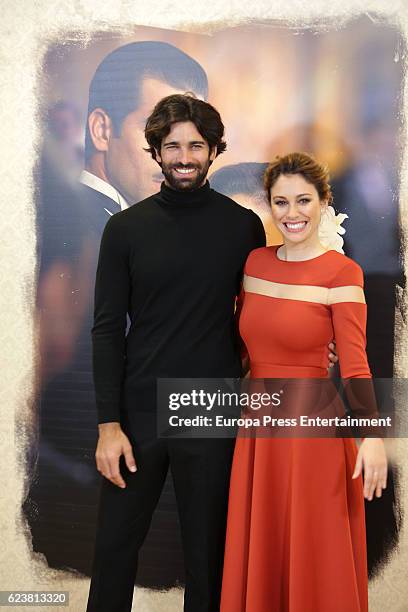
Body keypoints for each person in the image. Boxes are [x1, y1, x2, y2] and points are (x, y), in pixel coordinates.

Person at [86, 96, 338, 611]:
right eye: (173, 145)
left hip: (215, 408)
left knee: (210, 560)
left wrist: (314, 341)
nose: (184, 156)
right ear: (156, 151)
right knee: (114, 550)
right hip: (138, 415)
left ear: (213, 150)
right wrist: (108, 425)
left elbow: (261, 309)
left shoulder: (241, 226)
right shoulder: (125, 229)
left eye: (196, 145)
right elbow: (107, 330)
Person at [27, 41, 208, 581]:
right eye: (156, 137)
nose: (178, 158)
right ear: (101, 130)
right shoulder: (81, 234)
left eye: (192, 140)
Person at [220, 152, 388, 612]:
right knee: (264, 548)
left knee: (314, 555)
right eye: (280, 201)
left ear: (323, 202)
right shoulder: (254, 264)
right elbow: (243, 346)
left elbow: (355, 362)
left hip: (314, 437)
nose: (292, 213)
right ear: (269, 206)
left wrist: (372, 436)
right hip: (257, 431)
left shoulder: (342, 272)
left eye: (303, 200)